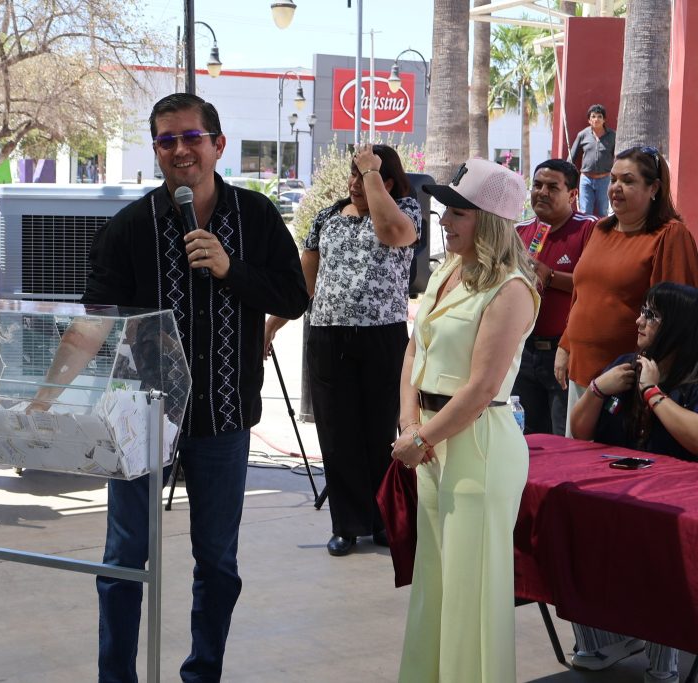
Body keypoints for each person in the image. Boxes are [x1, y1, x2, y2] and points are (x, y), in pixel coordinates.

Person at [31, 93, 308, 681]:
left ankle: (203, 672)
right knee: (123, 560)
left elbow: (293, 296)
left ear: (218, 144)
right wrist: (43, 400)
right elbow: (94, 322)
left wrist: (231, 270)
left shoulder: (255, 216)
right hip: (140, 418)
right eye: (166, 140)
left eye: (191, 137)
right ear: (155, 149)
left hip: (224, 416)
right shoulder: (130, 227)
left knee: (218, 562)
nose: (180, 150)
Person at [392, 158, 539, 682]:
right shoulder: (447, 271)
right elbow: (414, 352)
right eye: (445, 210)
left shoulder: (512, 288)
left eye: (458, 212)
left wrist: (420, 438)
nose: (444, 220)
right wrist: (410, 425)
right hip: (433, 445)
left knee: (471, 597)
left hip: (478, 449)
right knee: (435, 588)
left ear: (492, 222)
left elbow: (481, 388)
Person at [264, 144, 419, 556]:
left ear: (387, 182)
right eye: (352, 174)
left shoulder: (405, 211)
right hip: (328, 337)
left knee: (381, 432)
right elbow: (305, 283)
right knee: (337, 434)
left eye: (362, 175)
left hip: (383, 337)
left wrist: (373, 176)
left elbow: (392, 233)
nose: (354, 182)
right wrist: (273, 325)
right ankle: (347, 524)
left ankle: (383, 521)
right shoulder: (327, 217)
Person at [567, 281, 698, 683]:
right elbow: (580, 431)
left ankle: (664, 662)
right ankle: (603, 640)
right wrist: (596, 389)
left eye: (652, 316)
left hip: (676, 508)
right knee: (572, 521)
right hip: (619, 496)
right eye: (642, 311)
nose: (639, 321)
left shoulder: (692, 378)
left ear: (677, 326)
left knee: (662, 545)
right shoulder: (626, 365)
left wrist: (653, 393)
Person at [556, 146, 698, 433]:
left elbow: (677, 315)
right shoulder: (600, 229)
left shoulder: (669, 235)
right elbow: (582, 295)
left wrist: (647, 379)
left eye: (628, 180)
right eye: (613, 179)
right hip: (582, 374)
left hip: (627, 382)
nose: (615, 188)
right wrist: (565, 345)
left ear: (654, 188)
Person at [512, 160, 597, 436]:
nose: (542, 192)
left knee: (562, 439)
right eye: (537, 185)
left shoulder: (590, 229)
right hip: (523, 352)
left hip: (565, 353)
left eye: (552, 187)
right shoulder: (519, 231)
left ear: (572, 194)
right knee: (524, 439)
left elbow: (597, 286)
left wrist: (550, 277)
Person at [568, 104, 616, 216]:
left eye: (599, 116)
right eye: (593, 116)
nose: (596, 119)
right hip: (586, 180)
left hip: (605, 180)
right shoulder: (582, 135)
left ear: (604, 120)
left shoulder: (613, 136)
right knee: (585, 212)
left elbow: (618, 157)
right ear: (589, 120)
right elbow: (572, 157)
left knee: (603, 213)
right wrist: (566, 175)